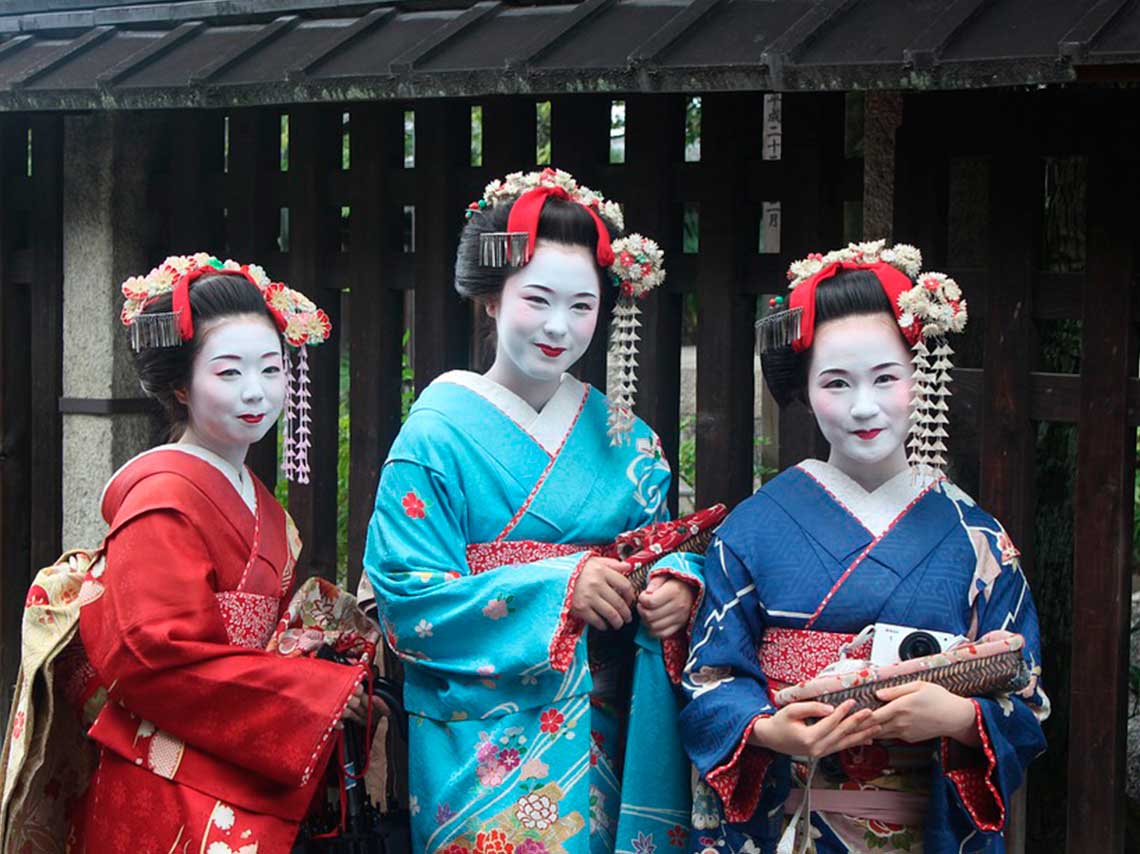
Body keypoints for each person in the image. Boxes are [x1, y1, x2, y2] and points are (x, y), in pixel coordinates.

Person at [362, 168, 704, 854]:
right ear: (491, 298)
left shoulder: (628, 438)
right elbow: (405, 599)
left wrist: (677, 585)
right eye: (537, 299)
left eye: (582, 306)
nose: (559, 326)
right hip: (481, 737)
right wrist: (560, 589)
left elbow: (662, 547)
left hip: (609, 727)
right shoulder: (437, 432)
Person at [678, 241, 1049, 853]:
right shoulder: (752, 529)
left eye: (886, 378)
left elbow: (1026, 696)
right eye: (836, 383)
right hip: (787, 823)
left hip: (924, 824)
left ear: (919, 374)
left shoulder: (976, 537)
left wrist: (956, 717)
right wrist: (771, 729)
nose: (863, 407)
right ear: (803, 387)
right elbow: (709, 679)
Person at [3, 254, 376, 854]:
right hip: (165, 778)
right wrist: (309, 695)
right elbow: (154, 657)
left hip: (240, 757)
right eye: (228, 373)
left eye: (271, 370)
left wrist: (322, 666)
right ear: (180, 383)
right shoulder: (162, 502)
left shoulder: (258, 502)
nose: (255, 392)